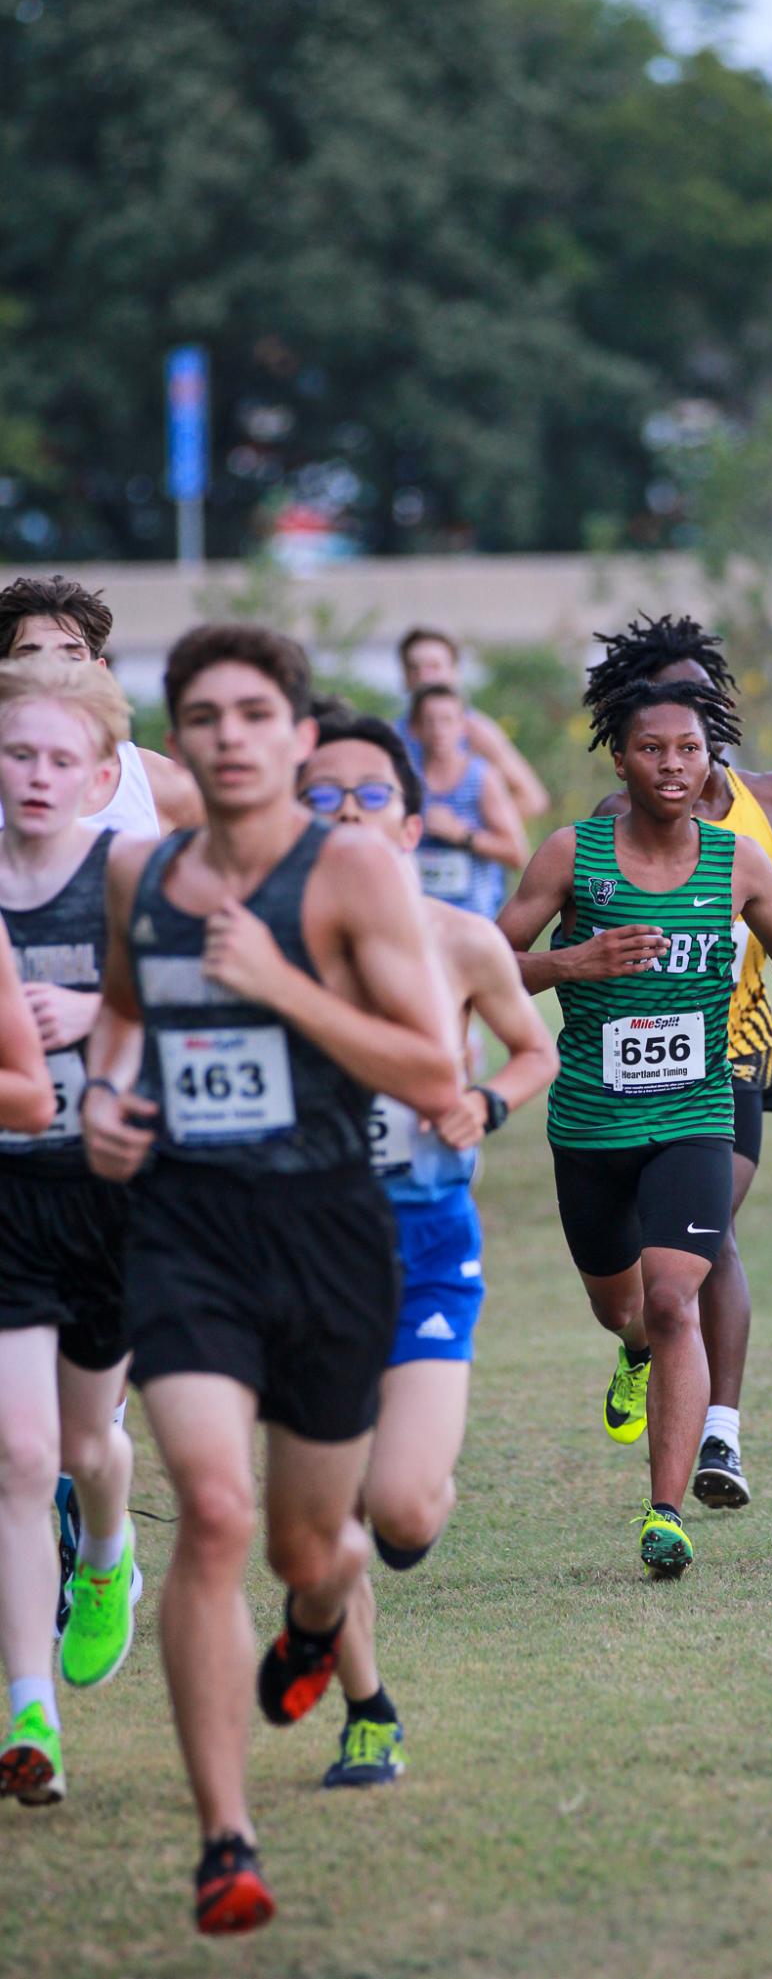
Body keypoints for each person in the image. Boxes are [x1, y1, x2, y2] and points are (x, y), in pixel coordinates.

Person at [80, 623, 461, 1933]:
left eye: (254, 713)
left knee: (313, 1540)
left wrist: (279, 986)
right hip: (187, 1229)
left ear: (297, 742)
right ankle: (226, 1842)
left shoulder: (349, 869)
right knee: (215, 1510)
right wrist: (112, 1102)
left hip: (327, 1235)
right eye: (203, 715)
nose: (229, 734)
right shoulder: (141, 871)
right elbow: (124, 1012)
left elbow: (430, 1072)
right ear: (175, 741)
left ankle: (314, 1625)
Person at [499, 674, 772, 1579]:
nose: (673, 765)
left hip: (695, 1112)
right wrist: (575, 960)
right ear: (621, 757)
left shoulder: (739, 860)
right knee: (626, 1306)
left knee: (679, 1294)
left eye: (689, 748)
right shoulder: (572, 853)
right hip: (591, 1126)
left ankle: (665, 1512)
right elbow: (485, 964)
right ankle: (632, 1349)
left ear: (710, 755)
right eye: (653, 749)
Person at [295, 707, 557, 1787]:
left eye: (369, 796)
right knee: (322, 1519)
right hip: (302, 1254)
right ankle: (366, 1706)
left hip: (425, 1246)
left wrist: (486, 1105)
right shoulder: (258, 945)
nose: (347, 811)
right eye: (322, 796)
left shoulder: (459, 939)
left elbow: (530, 1050)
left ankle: (377, 1547)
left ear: (411, 826)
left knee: (399, 1508)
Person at [0, 662, 142, 1810]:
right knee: (16, 1451)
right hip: (3, 1191)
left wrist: (98, 1011)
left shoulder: (125, 879)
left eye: (59, 760)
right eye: (16, 753)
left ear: (102, 779)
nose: (36, 777)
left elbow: (197, 1003)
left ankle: (106, 1556)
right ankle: (29, 1710)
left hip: (103, 1190)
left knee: (89, 1447)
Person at [0, 574, 202, 835]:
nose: (52, 670)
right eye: (31, 657)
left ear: (100, 672)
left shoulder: (159, 783)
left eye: (71, 657)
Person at [395, 625, 550, 819]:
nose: (424, 677)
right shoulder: (394, 735)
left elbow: (533, 800)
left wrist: (469, 831)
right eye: (414, 668)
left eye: (433, 667)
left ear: (453, 672)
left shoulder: (475, 730)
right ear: (404, 677)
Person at [411, 683, 528, 916]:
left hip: (472, 918)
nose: (438, 730)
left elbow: (516, 853)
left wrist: (461, 835)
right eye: (429, 721)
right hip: (418, 917)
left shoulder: (482, 777)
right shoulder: (405, 778)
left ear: (463, 726)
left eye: (447, 720)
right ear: (415, 728)